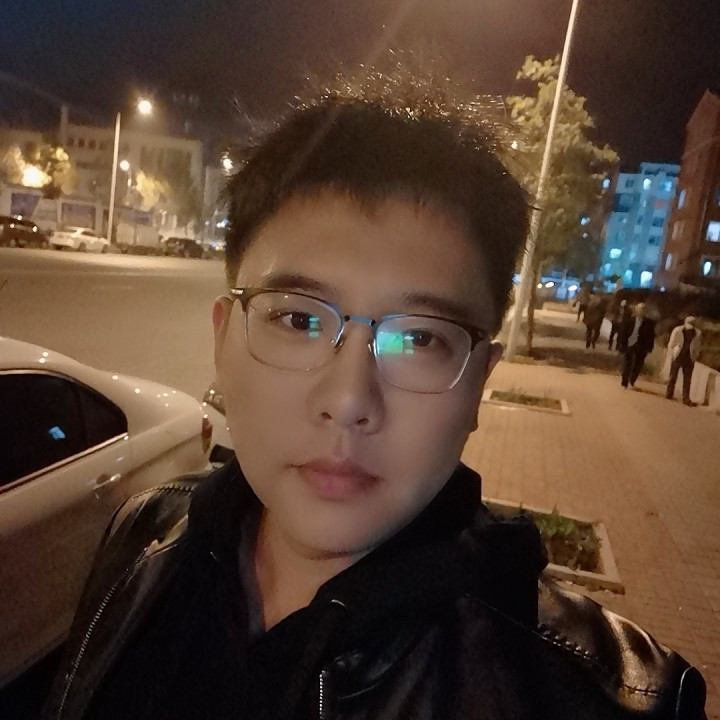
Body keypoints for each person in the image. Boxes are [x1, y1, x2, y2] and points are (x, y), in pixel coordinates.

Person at [43, 77, 707, 720]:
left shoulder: (615, 697)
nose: (348, 400)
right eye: (299, 319)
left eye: (419, 338)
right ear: (223, 340)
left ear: (480, 381)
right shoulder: (145, 539)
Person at [666, 315, 702, 406]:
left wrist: (695, 356)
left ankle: (686, 398)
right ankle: (669, 393)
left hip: (689, 357)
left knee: (687, 379)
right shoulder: (678, 330)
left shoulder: (697, 333)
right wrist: (672, 353)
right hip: (678, 355)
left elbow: (698, 347)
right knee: (673, 376)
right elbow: (672, 343)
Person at [619, 302, 656, 388]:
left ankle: (632, 380)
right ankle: (624, 382)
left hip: (641, 347)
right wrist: (622, 345)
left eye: (643, 310)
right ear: (636, 310)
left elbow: (651, 336)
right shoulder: (629, 321)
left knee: (638, 365)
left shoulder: (649, 323)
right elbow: (623, 333)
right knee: (627, 363)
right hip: (630, 345)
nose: (641, 312)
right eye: (640, 309)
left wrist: (650, 348)